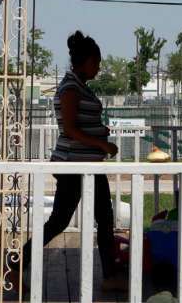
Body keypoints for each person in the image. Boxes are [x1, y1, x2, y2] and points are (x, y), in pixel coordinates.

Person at [10, 30, 123, 292]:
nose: (98, 67)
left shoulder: (79, 85)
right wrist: (101, 143)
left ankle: (109, 276)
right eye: (96, 62)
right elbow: (70, 129)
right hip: (74, 165)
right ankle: (14, 266)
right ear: (84, 62)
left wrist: (99, 130)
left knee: (105, 218)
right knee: (60, 222)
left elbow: (81, 123)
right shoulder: (70, 87)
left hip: (88, 165)